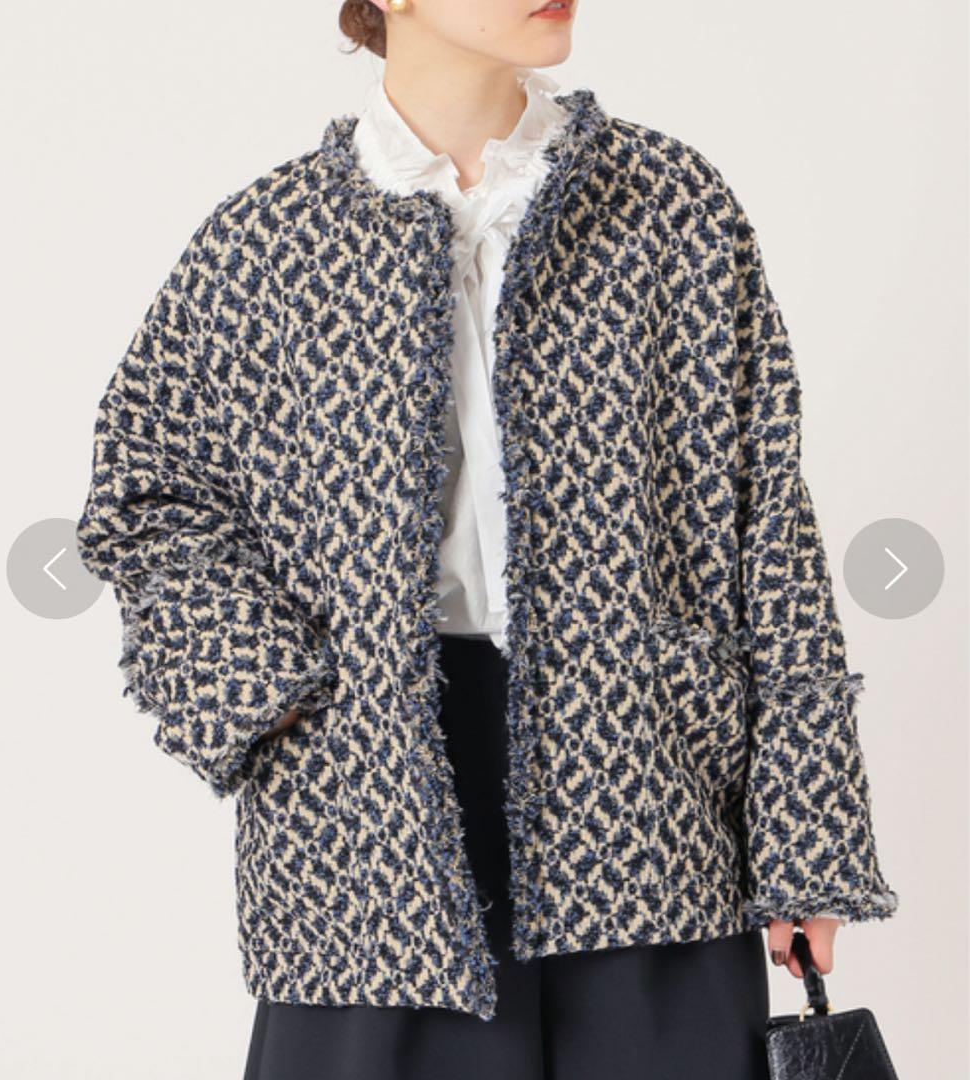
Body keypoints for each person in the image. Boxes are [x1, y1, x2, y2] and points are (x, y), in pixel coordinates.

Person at [74, 1, 899, 1077]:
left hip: (649, 797)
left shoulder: (668, 204)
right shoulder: (266, 242)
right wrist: (268, 694)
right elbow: (147, 493)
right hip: (365, 818)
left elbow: (768, 531)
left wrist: (806, 842)